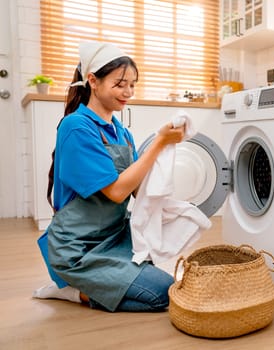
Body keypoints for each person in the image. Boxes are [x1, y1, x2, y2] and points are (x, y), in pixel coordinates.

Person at [32, 41, 185, 312]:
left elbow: (136, 188)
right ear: (93, 81)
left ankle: (92, 284)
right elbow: (116, 191)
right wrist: (160, 141)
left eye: (133, 84)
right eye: (120, 84)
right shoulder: (76, 127)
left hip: (115, 236)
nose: (128, 92)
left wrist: (175, 209)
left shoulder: (121, 132)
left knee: (171, 286)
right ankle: (69, 290)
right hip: (79, 247)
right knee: (161, 295)